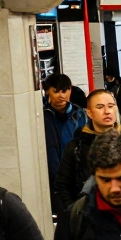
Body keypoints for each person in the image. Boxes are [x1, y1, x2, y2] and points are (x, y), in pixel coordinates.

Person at [56, 89, 121, 208]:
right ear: (89, 113)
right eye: (100, 107)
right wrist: (75, 211)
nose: (107, 111)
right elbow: (63, 185)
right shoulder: (77, 146)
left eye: (111, 106)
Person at [42, 72, 89, 215]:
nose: (61, 95)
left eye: (65, 90)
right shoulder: (41, 115)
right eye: (56, 91)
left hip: (76, 178)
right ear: (47, 92)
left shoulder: (80, 115)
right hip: (51, 180)